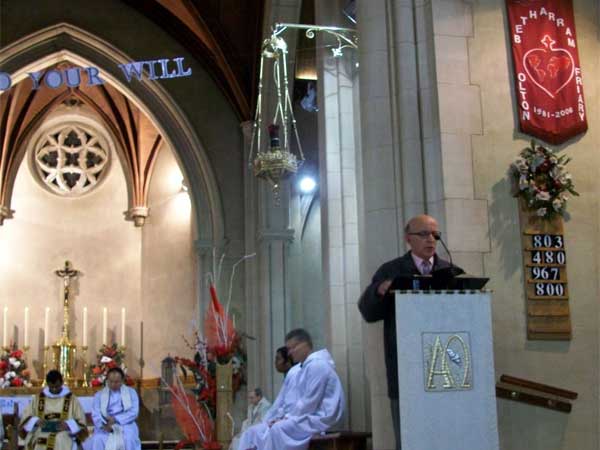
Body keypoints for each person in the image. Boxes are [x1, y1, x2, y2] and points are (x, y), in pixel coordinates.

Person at [358, 214, 463, 450]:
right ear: (408, 239)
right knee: (410, 438)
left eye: (435, 234)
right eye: (423, 234)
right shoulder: (391, 271)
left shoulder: (451, 272)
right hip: (405, 369)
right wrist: (379, 291)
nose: (431, 239)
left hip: (446, 369)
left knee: (447, 436)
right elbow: (368, 312)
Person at [239, 328, 345, 450]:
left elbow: (309, 402)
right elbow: (288, 402)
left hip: (322, 418)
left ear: (305, 344)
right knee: (252, 432)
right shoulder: (300, 369)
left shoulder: (317, 365)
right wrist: (277, 418)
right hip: (306, 416)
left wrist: (285, 418)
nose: (289, 353)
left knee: (277, 429)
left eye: (292, 348)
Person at [19, 370, 88, 450]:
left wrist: (68, 424)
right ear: (47, 384)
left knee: (59, 439)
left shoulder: (71, 399)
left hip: (63, 431)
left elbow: (81, 421)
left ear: (62, 383)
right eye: (51, 387)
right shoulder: (39, 398)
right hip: (42, 430)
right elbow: (26, 417)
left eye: (57, 386)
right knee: (38, 440)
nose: (54, 389)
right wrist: (36, 421)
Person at [84, 368, 140, 450]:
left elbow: (134, 412)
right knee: (98, 439)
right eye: (110, 381)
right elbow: (96, 413)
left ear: (122, 380)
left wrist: (116, 419)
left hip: (125, 424)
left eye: (116, 382)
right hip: (106, 424)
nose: (113, 384)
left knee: (129, 439)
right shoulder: (99, 395)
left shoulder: (131, 393)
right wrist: (103, 425)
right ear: (107, 380)